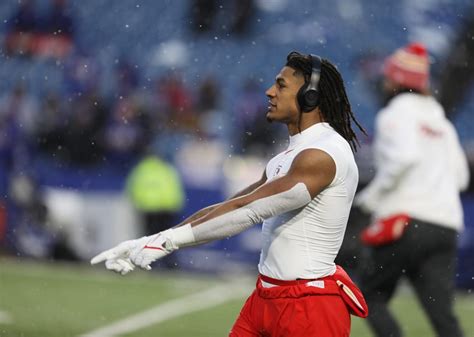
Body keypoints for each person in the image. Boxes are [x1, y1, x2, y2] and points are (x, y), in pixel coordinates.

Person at [91, 51, 368, 336]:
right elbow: (232, 204)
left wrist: (167, 243)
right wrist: (151, 239)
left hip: (309, 305)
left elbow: (248, 211)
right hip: (266, 296)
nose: (269, 92)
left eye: (281, 85)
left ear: (310, 96)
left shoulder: (323, 154)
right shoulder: (288, 155)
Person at [355, 42, 470, 337]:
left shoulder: (394, 114)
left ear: (395, 79)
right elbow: (460, 177)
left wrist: (371, 197)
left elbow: (404, 159)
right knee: (441, 313)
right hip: (444, 225)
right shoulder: (442, 123)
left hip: (404, 223)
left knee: (371, 295)